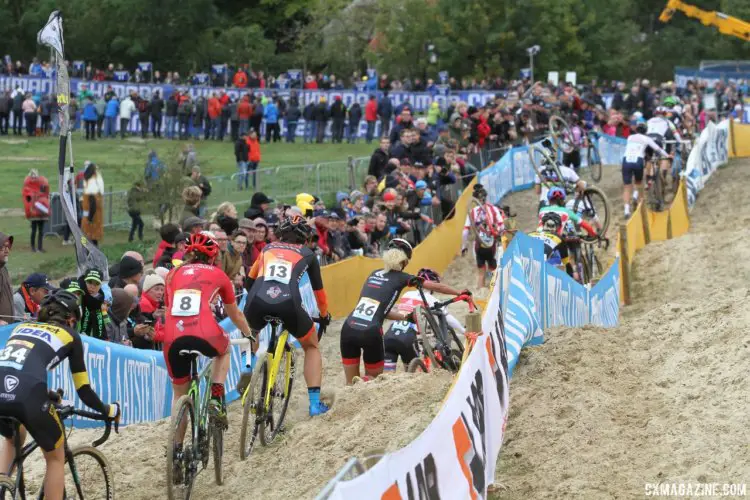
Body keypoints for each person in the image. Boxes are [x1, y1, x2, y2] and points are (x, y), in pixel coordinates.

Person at [0, 290, 120, 500]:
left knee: (13, 438)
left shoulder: (20, 327)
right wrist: (108, 410)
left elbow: (16, 369)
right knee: (56, 456)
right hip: (28, 395)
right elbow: (84, 390)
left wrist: (46, 394)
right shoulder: (70, 336)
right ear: (71, 319)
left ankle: (2, 484)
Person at [154, 232, 254, 430]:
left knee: (179, 395)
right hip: (204, 332)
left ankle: (177, 449)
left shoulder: (173, 274)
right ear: (212, 256)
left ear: (189, 254)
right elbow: (235, 315)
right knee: (224, 351)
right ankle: (216, 396)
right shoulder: (218, 274)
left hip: (173, 337)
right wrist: (248, 334)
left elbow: (168, 309)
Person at [340, 239, 465, 384]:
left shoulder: (374, 273)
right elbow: (435, 286)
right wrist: (459, 292)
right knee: (373, 381)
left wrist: (405, 317)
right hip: (370, 332)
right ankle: (365, 381)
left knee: (350, 383)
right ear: (405, 262)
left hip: (348, 328)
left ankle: (353, 386)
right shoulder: (401, 277)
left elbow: (380, 311)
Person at [243, 216, 332, 416]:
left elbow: (249, 281)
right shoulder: (308, 254)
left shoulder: (267, 248)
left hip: (257, 299)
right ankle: (315, 404)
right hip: (289, 303)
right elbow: (319, 293)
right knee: (311, 345)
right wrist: (324, 315)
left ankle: (246, 368)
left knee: (251, 332)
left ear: (280, 233)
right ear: (305, 238)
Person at [382, 268, 465, 371]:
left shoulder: (406, 294)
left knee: (388, 375)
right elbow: (448, 318)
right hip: (408, 337)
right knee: (413, 375)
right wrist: (464, 331)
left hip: (390, 334)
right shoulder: (430, 298)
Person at [621, 123, 671, 218]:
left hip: (626, 160)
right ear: (646, 132)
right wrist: (667, 155)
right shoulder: (647, 139)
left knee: (627, 187)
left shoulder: (630, 137)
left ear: (636, 130)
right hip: (638, 160)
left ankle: (626, 211)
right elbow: (658, 149)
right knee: (639, 183)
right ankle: (637, 200)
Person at [461, 184, 505, 289]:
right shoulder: (494, 209)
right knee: (493, 272)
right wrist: (498, 234)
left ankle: (480, 293)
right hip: (492, 245)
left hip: (479, 245)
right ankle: (492, 293)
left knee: (481, 274)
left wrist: (463, 247)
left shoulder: (472, 211)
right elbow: (502, 226)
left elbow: (465, 232)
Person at [22, 169, 50, 253]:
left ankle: (36, 247)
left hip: (36, 212)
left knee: (37, 230)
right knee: (37, 230)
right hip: (38, 211)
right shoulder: (41, 184)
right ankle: (36, 247)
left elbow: (27, 200)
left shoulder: (29, 187)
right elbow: (46, 195)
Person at [0, 233, 13, 326]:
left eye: (8, 247)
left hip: (6, 329)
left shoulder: (3, 269)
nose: (7, 251)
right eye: (3, 247)